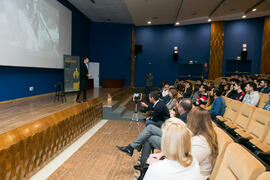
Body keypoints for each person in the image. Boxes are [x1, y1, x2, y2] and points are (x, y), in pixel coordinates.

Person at [115, 99, 192, 170]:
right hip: (172, 136)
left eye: (178, 105)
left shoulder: (184, 118)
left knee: (150, 128)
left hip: (173, 141)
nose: (177, 105)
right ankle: (142, 163)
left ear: (182, 108)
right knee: (149, 136)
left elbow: (174, 131)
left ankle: (132, 148)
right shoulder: (186, 115)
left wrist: (172, 118)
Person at [146, 107, 218, 180]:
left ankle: (144, 168)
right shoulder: (201, 137)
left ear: (193, 122)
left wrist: (158, 164)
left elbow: (184, 165)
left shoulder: (200, 143)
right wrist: (162, 155)